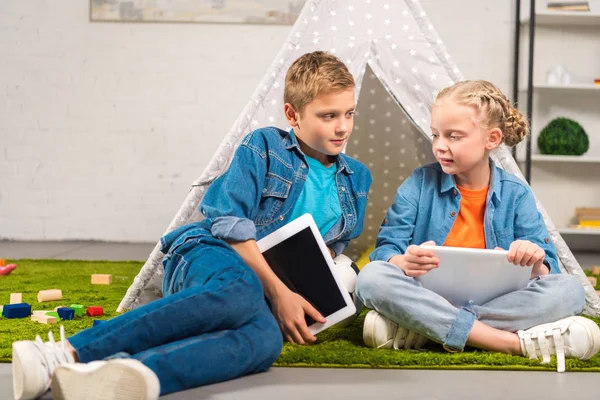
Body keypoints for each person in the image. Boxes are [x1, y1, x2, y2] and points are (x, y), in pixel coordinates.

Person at [11, 51, 372, 400]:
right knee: (240, 287)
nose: (342, 127)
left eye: (349, 113)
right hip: (209, 252)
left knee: (265, 341)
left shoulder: (357, 178)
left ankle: (131, 376)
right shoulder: (263, 146)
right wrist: (280, 292)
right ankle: (64, 354)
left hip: (263, 289)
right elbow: (228, 223)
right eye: (328, 116)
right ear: (293, 115)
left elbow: (328, 245)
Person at [356, 80, 600, 371]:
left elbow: (547, 271)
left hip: (497, 301)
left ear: (492, 138)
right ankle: (509, 342)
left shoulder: (516, 194)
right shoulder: (419, 184)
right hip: (429, 294)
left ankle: (424, 327)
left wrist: (533, 259)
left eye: (453, 136)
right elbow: (385, 251)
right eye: (435, 135)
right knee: (371, 277)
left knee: (570, 290)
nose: (439, 146)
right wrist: (403, 261)